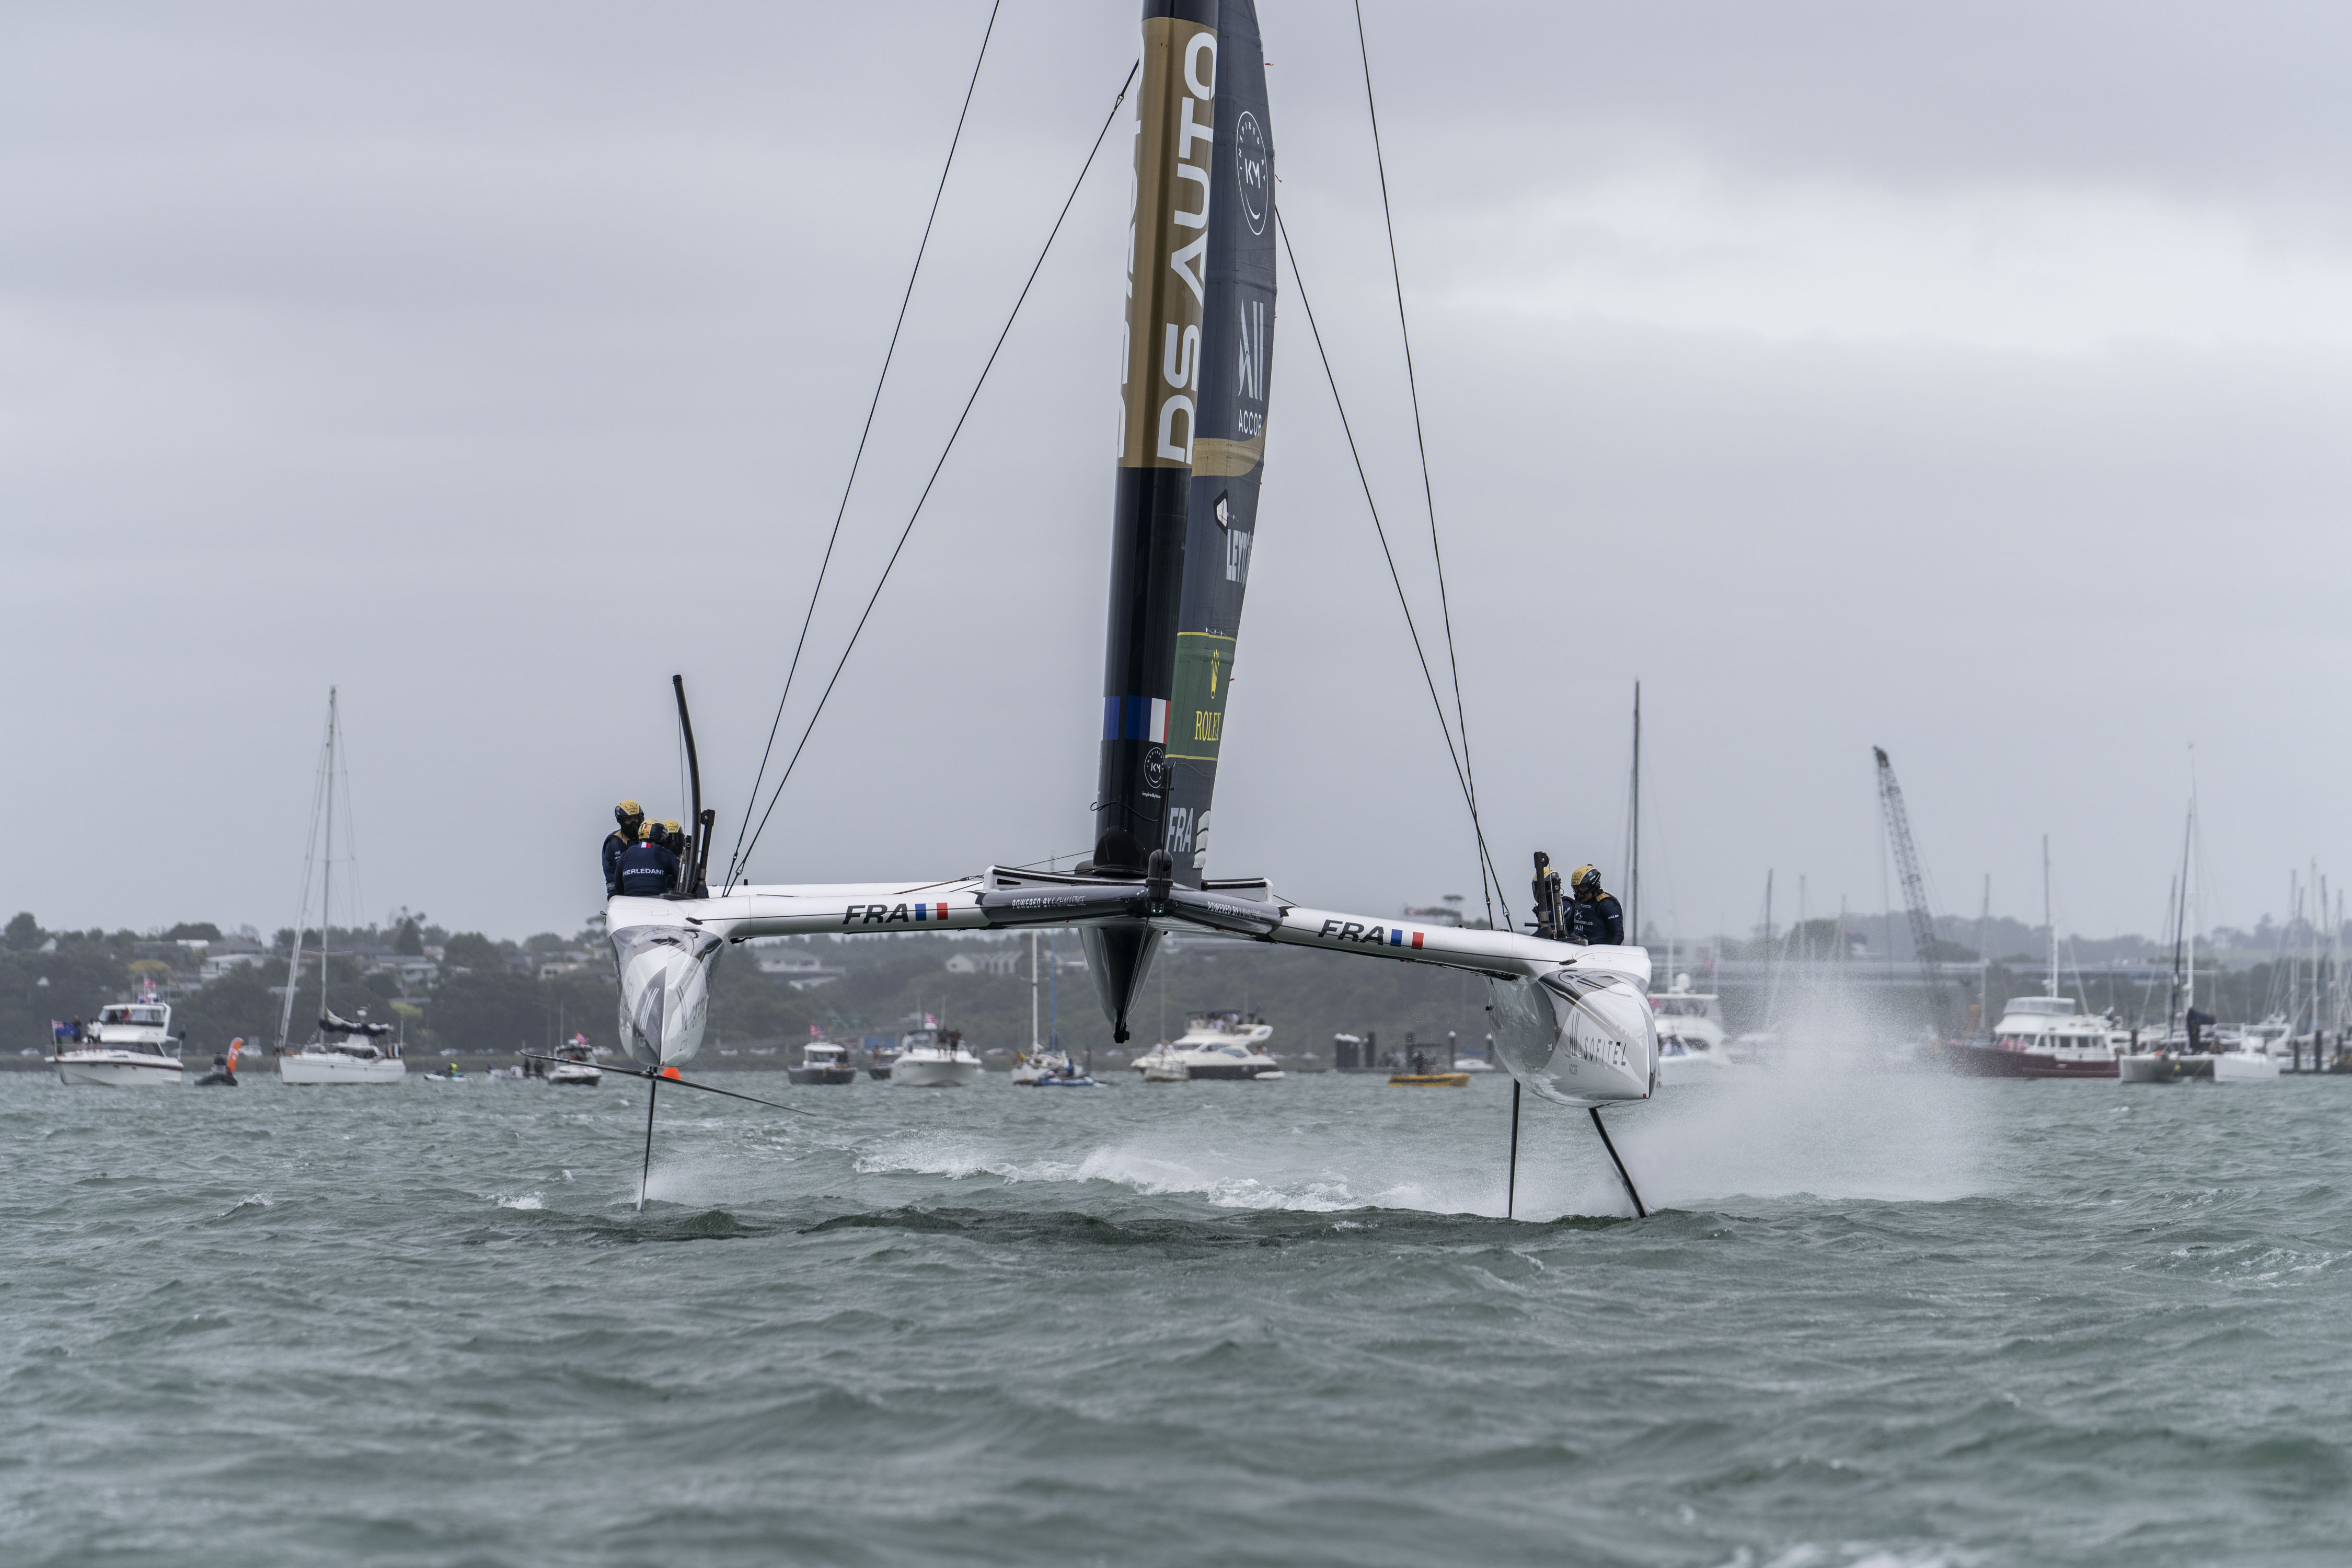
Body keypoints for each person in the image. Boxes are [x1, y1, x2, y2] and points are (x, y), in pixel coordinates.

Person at [614, 818, 682, 898]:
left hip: (631, 902)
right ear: (662, 838)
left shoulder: (625, 854)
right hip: (658, 902)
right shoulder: (664, 853)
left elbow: (618, 885)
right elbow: (682, 877)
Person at [1565, 864, 1625, 947]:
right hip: (1575, 947)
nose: (1580, 893)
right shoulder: (1578, 901)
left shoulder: (1608, 904)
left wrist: (1608, 952)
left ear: (1594, 886)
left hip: (1596, 951)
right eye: (1577, 889)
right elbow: (1568, 924)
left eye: (1583, 888)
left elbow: (1618, 934)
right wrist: (1554, 931)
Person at [604, 800, 645, 896]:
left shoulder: (642, 838)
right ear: (621, 821)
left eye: (635, 818)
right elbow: (624, 868)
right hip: (619, 889)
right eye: (628, 820)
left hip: (640, 884)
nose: (633, 823)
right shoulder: (615, 841)